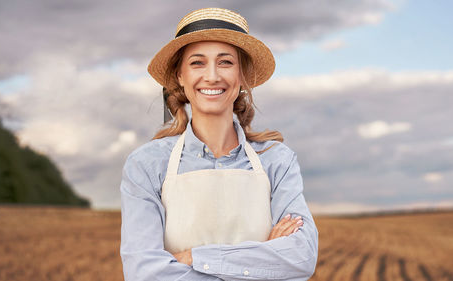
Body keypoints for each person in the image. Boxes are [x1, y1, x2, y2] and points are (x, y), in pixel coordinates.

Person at [120, 7, 318, 280]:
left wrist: (195, 258)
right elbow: (144, 273)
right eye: (197, 63)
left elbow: (301, 257)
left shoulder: (277, 161)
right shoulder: (146, 165)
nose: (212, 76)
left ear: (243, 76)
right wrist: (264, 259)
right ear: (180, 76)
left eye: (225, 62)